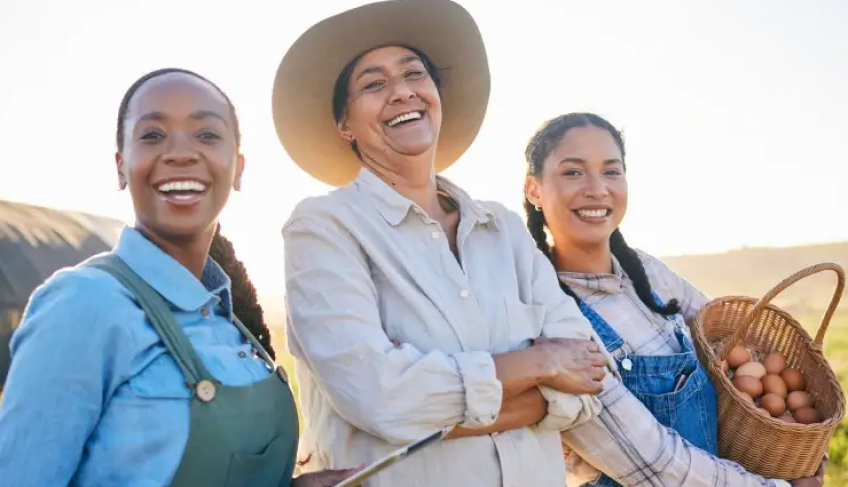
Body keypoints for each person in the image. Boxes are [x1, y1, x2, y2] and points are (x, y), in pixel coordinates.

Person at [274, 1, 614, 486]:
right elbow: (377, 395)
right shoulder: (325, 227)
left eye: (414, 74)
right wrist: (539, 362)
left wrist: (428, 412)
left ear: (436, 95)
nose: (401, 92)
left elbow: (593, 374)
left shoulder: (502, 228)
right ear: (345, 125)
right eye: (373, 84)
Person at [0, 67, 360, 487]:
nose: (180, 153)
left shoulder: (231, 325)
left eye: (207, 135)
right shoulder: (85, 303)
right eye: (152, 135)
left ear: (238, 167)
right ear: (121, 166)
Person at [523, 112, 827, 487]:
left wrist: (794, 438)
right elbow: (656, 464)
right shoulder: (553, 318)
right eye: (573, 172)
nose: (597, 188)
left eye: (612, 171)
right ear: (533, 189)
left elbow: (730, 338)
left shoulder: (646, 272)